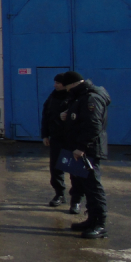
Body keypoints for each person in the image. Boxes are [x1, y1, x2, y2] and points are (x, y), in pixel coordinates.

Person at [60, 71, 110, 239]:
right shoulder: (81, 96)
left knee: (94, 187)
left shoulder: (91, 98)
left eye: (67, 87)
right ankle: (91, 219)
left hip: (87, 151)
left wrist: (81, 147)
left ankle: (99, 224)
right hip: (79, 149)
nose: (66, 90)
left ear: (72, 84)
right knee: (86, 186)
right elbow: (79, 118)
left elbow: (93, 125)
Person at [42, 74, 84, 213]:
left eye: (58, 83)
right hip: (56, 139)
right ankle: (59, 194)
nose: (55, 85)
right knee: (55, 169)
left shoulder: (74, 98)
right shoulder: (52, 97)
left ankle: (76, 200)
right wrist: (45, 134)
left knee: (75, 170)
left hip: (71, 140)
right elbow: (46, 116)